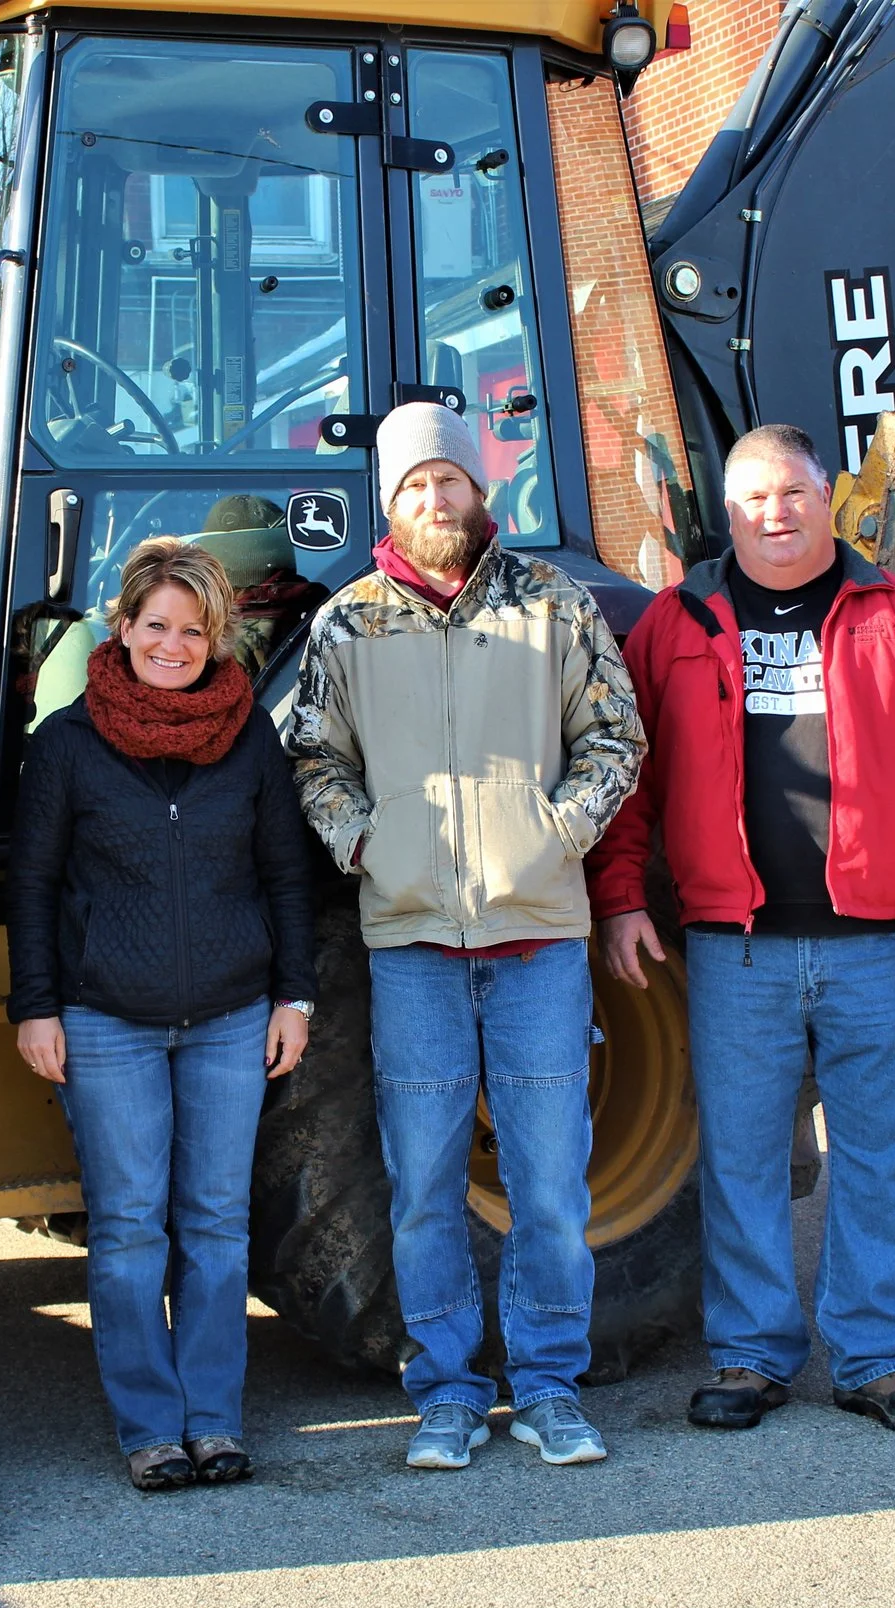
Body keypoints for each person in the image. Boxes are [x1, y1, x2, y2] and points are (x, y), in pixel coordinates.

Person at [591, 422, 895, 1439]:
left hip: (870, 942)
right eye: (751, 500)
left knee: (876, 1154)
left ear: (827, 498)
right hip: (735, 947)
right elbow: (625, 766)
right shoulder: (676, 622)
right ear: (725, 514)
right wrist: (620, 895)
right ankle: (749, 1353)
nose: (773, 514)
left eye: (791, 493)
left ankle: (878, 1358)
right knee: (738, 1157)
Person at [288, 402, 644, 1471]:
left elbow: (614, 735)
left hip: (535, 940)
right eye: (411, 486)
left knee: (545, 1181)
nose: (433, 500)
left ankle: (545, 1385)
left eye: (448, 479)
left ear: (478, 489)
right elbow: (314, 761)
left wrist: (554, 834)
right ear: (387, 503)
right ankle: (444, 1386)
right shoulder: (346, 623)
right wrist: (367, 848)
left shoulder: (552, 604)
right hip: (412, 949)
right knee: (425, 1181)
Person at [6, 538, 318, 1492]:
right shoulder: (65, 742)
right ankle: (149, 1425)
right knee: (132, 1227)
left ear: (215, 636)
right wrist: (36, 1006)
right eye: (156, 626)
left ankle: (215, 1419)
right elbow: (33, 881)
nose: (173, 645)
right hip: (107, 1020)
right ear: (124, 627)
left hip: (231, 1016)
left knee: (216, 1225)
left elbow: (285, 875)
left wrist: (295, 995)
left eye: (192, 629)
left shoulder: (250, 737)